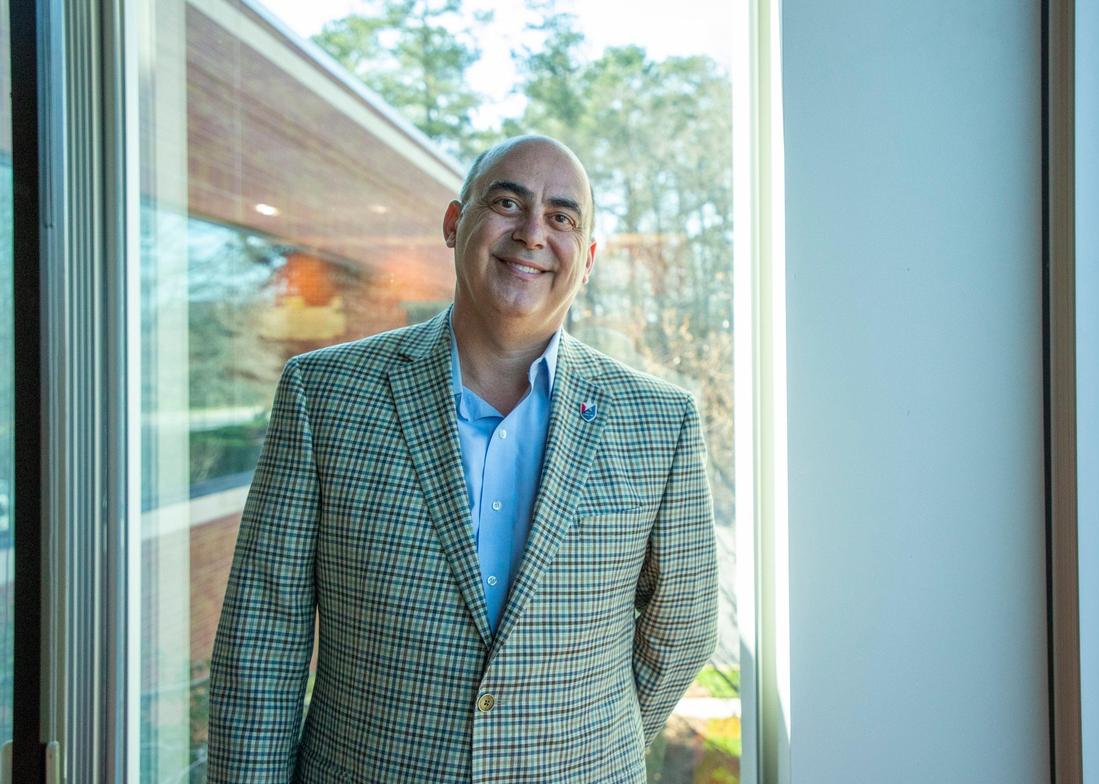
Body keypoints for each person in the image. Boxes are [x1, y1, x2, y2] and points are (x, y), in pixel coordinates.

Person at [207, 135, 719, 783]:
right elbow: (263, 635)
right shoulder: (325, 395)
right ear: (456, 223)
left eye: (562, 217)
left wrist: (595, 737)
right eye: (508, 202)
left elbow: (684, 623)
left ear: (585, 259)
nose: (533, 232)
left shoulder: (657, 422)